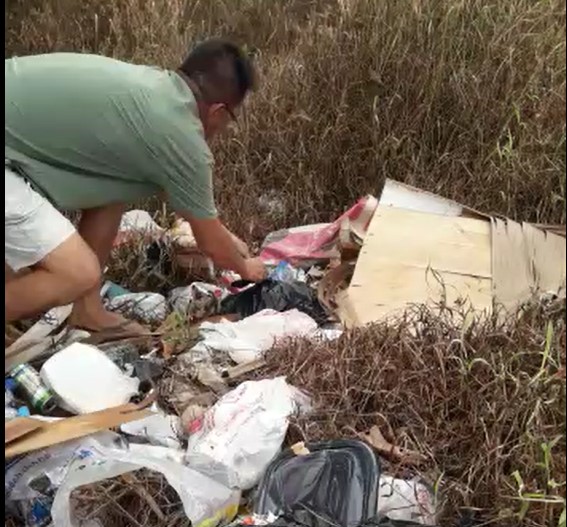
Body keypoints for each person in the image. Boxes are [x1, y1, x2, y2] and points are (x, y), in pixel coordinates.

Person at [5, 39, 267, 332]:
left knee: (114, 190)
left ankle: (87, 310)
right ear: (218, 111)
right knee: (77, 273)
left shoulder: (154, 90)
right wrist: (246, 268)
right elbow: (210, 244)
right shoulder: (182, 136)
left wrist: (225, 238)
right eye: (231, 118)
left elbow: (188, 204)